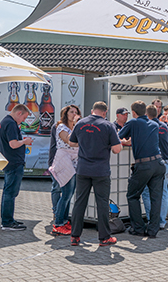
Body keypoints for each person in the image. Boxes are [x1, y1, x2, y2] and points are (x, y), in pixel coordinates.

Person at [69, 101, 122, 247]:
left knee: (80, 202)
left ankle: (75, 236)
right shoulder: (108, 126)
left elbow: (72, 142)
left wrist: (86, 143)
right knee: (102, 203)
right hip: (101, 171)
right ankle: (104, 238)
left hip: (83, 169)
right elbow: (117, 149)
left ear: (93, 110)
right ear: (105, 112)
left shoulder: (80, 123)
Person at [118, 100, 166, 237]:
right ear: (145, 111)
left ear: (133, 113)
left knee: (132, 195)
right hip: (158, 163)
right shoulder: (154, 124)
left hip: (144, 165)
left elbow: (117, 137)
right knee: (156, 198)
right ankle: (153, 230)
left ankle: (138, 228)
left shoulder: (133, 122)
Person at [0, 104, 33, 231]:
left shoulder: (5, 122)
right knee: (10, 192)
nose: (23, 121)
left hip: (9, 162)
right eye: (23, 118)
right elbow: (13, 144)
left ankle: (8, 219)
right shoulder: (11, 124)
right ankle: (7, 222)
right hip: (13, 163)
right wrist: (25, 142)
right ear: (19, 113)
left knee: (9, 191)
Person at [50, 105, 81, 236]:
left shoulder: (75, 127)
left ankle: (63, 221)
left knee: (69, 193)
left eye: (76, 112)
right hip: (64, 160)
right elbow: (71, 142)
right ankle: (57, 223)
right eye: (71, 112)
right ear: (66, 114)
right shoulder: (61, 127)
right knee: (66, 193)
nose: (74, 114)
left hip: (73, 161)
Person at [143, 104, 168, 229]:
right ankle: (161, 221)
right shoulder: (164, 126)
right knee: (163, 192)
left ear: (146, 115)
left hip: (155, 163)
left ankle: (152, 220)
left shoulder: (148, 126)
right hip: (167, 163)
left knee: (146, 192)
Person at [48, 124, 61, 222]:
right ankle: (56, 212)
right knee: (57, 187)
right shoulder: (57, 126)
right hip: (56, 161)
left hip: (72, 163)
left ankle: (63, 212)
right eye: (72, 112)